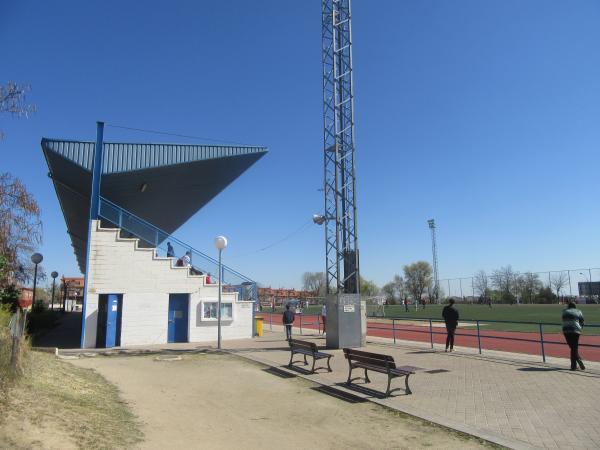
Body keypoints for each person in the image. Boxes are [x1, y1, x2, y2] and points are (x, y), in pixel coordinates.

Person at [562, 301, 585, 371]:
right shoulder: (578, 311)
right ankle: (575, 363)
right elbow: (582, 321)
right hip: (575, 330)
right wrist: (580, 328)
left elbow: (563, 319)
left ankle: (574, 365)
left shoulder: (565, 311)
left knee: (572, 348)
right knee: (574, 348)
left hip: (566, 331)